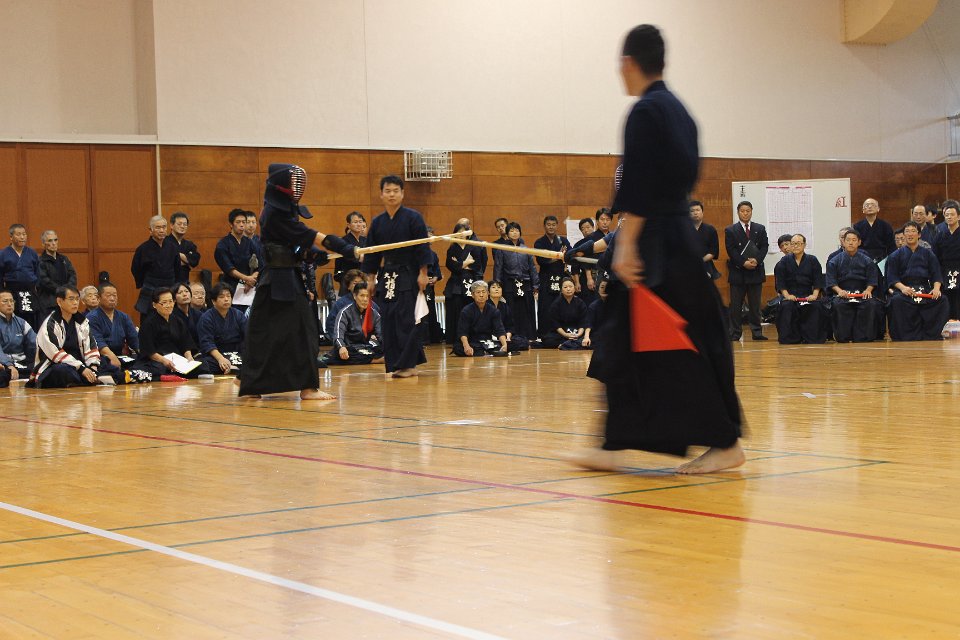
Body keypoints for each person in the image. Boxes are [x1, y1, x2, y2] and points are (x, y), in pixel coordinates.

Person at [570, 24, 744, 474]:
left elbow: (642, 183)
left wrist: (626, 242)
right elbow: (678, 178)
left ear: (629, 63)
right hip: (679, 238)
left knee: (629, 338)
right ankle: (711, 441)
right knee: (688, 337)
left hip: (655, 244)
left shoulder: (645, 111)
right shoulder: (680, 112)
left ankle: (716, 442)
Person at [240, 163, 358, 398]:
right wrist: (346, 248)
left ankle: (249, 381)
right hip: (278, 280)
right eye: (293, 183)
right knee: (301, 331)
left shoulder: (281, 210)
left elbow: (293, 243)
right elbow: (309, 235)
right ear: (282, 186)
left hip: (283, 277)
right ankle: (306, 387)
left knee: (269, 332)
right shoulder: (274, 213)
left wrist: (311, 254)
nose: (297, 188)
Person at [361, 175, 431, 379]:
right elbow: (372, 252)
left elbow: (422, 247)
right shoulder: (378, 222)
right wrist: (371, 279)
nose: (391, 195)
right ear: (381, 194)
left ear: (402, 194)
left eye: (395, 191)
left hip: (408, 273)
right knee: (389, 319)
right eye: (388, 191)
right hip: (388, 275)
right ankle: (397, 363)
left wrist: (423, 273)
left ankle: (409, 365)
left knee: (406, 320)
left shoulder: (413, 218)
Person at [30, 285, 123, 388]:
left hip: (81, 364)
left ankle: (95, 377)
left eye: (77, 299)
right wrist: (81, 368)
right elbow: (55, 354)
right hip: (54, 365)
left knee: (105, 362)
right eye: (71, 299)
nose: (75, 303)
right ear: (59, 301)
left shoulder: (82, 321)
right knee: (62, 370)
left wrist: (92, 367)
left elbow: (91, 347)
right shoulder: (50, 324)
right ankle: (94, 379)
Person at [886, 221, 949, 341]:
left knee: (942, 300)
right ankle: (904, 335)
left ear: (919, 234)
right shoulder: (895, 255)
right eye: (907, 231)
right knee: (896, 301)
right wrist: (903, 288)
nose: (910, 234)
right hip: (905, 289)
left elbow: (936, 274)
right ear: (904, 235)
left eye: (913, 231)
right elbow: (892, 277)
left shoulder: (928, 254)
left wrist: (936, 288)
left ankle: (931, 334)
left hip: (924, 288)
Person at [136, 288, 206, 379]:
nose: (168, 305)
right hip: (158, 360)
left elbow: (185, 342)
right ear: (154, 305)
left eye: (170, 301)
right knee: (159, 369)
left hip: (178, 359)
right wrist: (164, 360)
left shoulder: (177, 320)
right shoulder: (148, 323)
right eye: (164, 303)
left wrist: (189, 357)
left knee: (203, 364)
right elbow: (149, 351)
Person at [826, 230, 881, 343]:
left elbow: (872, 280)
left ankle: (864, 337)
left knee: (870, 304)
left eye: (854, 240)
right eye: (848, 240)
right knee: (838, 304)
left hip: (862, 292)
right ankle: (843, 336)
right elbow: (831, 281)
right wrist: (839, 291)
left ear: (859, 242)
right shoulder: (834, 261)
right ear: (843, 242)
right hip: (842, 293)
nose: (851, 243)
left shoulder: (867, 260)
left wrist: (868, 290)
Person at [725, 200, 769, 340]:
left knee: (755, 305)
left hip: (755, 271)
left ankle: (757, 332)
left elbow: (764, 246)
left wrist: (757, 260)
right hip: (738, 272)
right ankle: (735, 333)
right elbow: (730, 250)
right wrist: (743, 262)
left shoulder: (759, 228)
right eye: (742, 211)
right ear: (738, 212)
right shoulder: (731, 230)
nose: (745, 213)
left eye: (748, 211)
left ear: (751, 211)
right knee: (736, 305)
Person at [773, 234, 827, 344]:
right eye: (793, 244)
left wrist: (814, 295)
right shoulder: (783, 262)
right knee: (786, 306)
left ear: (804, 245)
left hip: (808, 295)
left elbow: (818, 280)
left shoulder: (812, 260)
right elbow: (781, 283)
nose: (795, 246)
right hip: (790, 295)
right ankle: (790, 338)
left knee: (816, 306)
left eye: (798, 243)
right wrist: (787, 295)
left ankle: (812, 337)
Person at [492, 222, 539, 340]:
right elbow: (498, 268)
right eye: (512, 231)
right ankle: (512, 336)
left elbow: (532, 268)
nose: (514, 233)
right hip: (509, 284)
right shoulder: (502, 249)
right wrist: (497, 285)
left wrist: (535, 285)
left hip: (525, 283)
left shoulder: (526, 249)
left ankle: (529, 336)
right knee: (511, 311)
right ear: (507, 234)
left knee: (527, 310)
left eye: (517, 230)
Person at [443, 222, 486, 344]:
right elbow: (451, 266)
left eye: (463, 232)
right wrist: (466, 262)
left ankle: (471, 337)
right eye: (459, 232)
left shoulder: (473, 246)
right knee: (456, 309)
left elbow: (477, 264)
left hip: (470, 281)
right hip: (456, 283)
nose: (461, 234)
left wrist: (459, 263)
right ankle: (456, 338)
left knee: (471, 309)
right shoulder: (452, 248)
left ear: (468, 233)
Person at [131, 215, 179, 321]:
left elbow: (177, 268)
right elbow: (136, 269)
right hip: (151, 288)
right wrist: (145, 283)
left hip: (169, 287)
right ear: (150, 230)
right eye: (158, 227)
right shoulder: (143, 249)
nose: (161, 230)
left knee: (171, 319)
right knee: (149, 320)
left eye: (164, 227)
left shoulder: (173, 247)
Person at [534, 215, 573, 338]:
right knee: (545, 306)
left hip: (560, 277)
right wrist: (559, 256)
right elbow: (541, 260)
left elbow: (569, 256)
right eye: (548, 225)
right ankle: (544, 334)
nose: (551, 227)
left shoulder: (563, 240)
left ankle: (562, 333)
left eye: (553, 225)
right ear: (544, 226)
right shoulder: (539, 242)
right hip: (546, 278)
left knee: (561, 305)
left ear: (557, 226)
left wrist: (561, 256)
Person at [87, 282, 141, 369]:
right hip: (101, 357)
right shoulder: (92, 317)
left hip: (120, 356)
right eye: (108, 295)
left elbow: (134, 339)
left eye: (114, 295)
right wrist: (111, 357)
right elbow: (98, 342)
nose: (112, 298)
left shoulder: (123, 317)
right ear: (98, 298)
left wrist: (144, 354)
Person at [197, 283, 247, 374]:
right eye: (222, 297)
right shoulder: (206, 318)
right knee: (202, 365)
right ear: (213, 301)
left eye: (228, 296)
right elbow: (207, 343)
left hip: (236, 354)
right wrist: (221, 359)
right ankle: (234, 368)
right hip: (216, 356)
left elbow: (248, 335)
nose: (226, 299)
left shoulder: (238, 314)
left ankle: (234, 367)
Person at [330, 282, 384, 365]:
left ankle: (369, 359)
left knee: (385, 349)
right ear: (355, 296)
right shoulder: (345, 312)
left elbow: (381, 335)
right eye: (362, 296)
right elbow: (338, 335)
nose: (365, 299)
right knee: (340, 354)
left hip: (366, 347)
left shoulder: (374, 314)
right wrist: (341, 347)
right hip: (349, 348)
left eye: (367, 296)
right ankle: (375, 360)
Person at [452, 281, 507, 357]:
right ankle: (486, 352)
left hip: (487, 341)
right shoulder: (466, 311)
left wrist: (504, 345)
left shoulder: (494, 310)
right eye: (478, 292)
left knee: (513, 343)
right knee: (458, 348)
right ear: (472, 295)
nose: (481, 295)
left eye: (483, 292)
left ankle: (484, 351)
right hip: (472, 341)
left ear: (487, 294)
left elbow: (499, 329)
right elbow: (462, 332)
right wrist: (466, 346)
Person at [0, 224, 41, 327]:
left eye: (24, 234)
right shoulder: (3, 254)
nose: (22, 237)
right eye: (18, 234)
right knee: (15, 320)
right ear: (11, 237)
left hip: (30, 292)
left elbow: (38, 272)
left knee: (32, 322)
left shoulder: (32, 253)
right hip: (12, 292)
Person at [215, 209, 258, 298]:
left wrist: (252, 279)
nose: (242, 225)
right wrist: (246, 278)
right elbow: (229, 268)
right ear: (231, 224)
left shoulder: (250, 242)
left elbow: (260, 264)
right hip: (231, 284)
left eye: (244, 222)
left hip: (250, 285)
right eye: (238, 222)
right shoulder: (223, 244)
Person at [36, 229, 77, 321]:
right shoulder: (40, 261)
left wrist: (68, 290)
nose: (53, 243)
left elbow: (72, 275)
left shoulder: (64, 259)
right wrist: (62, 291)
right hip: (49, 303)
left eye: (55, 240)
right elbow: (44, 281)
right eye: (50, 241)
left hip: (66, 300)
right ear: (43, 244)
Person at [541, 276, 590, 349]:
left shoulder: (580, 303)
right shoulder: (556, 304)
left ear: (574, 288)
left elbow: (583, 322)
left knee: (590, 339)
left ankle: (566, 345)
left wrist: (578, 334)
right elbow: (555, 324)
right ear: (561, 289)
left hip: (576, 331)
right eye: (565, 287)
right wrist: (565, 334)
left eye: (570, 286)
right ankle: (570, 344)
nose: (568, 289)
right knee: (548, 340)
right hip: (561, 333)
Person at [0, 288, 36, 380]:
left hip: (22, 363)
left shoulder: (22, 323)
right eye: (5, 301)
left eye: (12, 301)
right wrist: (9, 365)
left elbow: (35, 343)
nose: (9, 304)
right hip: (4, 364)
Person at [934, 199, 960, 320]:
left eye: (952, 214)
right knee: (947, 298)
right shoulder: (940, 235)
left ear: (958, 216)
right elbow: (935, 256)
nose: (949, 217)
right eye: (947, 215)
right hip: (944, 271)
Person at [334, 212, 368, 294]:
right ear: (348, 225)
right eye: (355, 222)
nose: (358, 224)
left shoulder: (365, 240)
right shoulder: (343, 241)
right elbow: (348, 258)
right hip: (349, 279)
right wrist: (360, 257)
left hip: (364, 278)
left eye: (360, 222)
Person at [689, 200, 720, 280]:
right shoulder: (684, 230)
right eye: (692, 211)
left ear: (702, 212)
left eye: (697, 210)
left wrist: (700, 261)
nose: (695, 213)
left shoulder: (710, 229)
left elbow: (713, 251)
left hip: (706, 265)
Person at [168, 211, 201, 282]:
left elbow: (195, 261)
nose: (182, 226)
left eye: (185, 224)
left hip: (184, 282)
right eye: (179, 224)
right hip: (168, 282)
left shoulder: (189, 244)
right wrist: (186, 262)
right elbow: (165, 262)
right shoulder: (165, 242)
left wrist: (176, 254)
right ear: (171, 225)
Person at [244, 210, 265, 275]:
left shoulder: (261, 240)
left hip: (259, 275)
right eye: (248, 222)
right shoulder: (238, 241)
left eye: (253, 222)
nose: (251, 225)